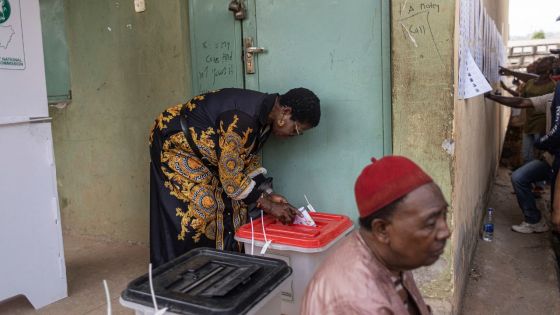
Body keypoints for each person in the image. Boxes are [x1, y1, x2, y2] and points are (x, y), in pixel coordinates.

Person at [149, 87, 321, 267]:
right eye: (296, 130)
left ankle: (221, 265)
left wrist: (268, 193)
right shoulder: (243, 121)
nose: (294, 136)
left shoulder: (265, 116)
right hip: (176, 144)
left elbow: (244, 158)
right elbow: (231, 180)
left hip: (205, 152)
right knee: (205, 207)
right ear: (285, 113)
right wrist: (268, 205)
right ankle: (180, 269)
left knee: (238, 206)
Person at [301, 156, 450, 315]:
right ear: (382, 230)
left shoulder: (391, 255)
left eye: (444, 215)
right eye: (430, 223)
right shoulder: (353, 301)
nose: (445, 231)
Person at [486, 82, 560, 233]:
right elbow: (522, 101)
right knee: (519, 177)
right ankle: (534, 220)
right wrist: (490, 96)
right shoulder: (553, 97)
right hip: (551, 158)